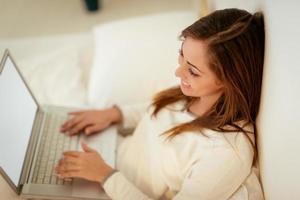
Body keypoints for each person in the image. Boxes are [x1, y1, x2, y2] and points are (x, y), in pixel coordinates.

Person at [55, 8, 265, 200]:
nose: (178, 72)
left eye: (192, 71)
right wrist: (115, 114)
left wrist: (105, 176)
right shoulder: (195, 94)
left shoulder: (227, 152)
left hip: (112, 187)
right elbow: (159, 113)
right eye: (181, 55)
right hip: (108, 158)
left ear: (229, 80)